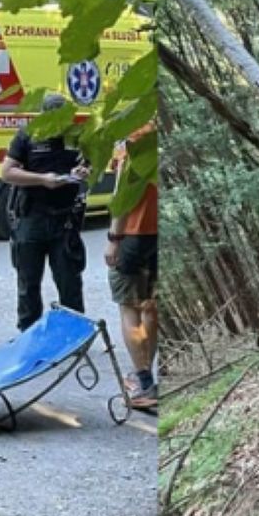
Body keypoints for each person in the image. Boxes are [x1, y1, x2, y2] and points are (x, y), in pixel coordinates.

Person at [1, 93, 90, 330]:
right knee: (28, 283)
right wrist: (42, 179)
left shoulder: (77, 135)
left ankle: (73, 334)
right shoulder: (27, 135)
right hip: (32, 217)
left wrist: (83, 170)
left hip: (65, 218)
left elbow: (91, 163)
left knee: (69, 282)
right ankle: (28, 334)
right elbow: (7, 172)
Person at [105, 124, 159, 409]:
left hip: (133, 235)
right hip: (157, 235)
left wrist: (114, 238)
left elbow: (122, 196)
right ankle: (147, 375)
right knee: (151, 306)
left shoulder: (136, 141)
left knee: (129, 308)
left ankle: (143, 382)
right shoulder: (160, 135)